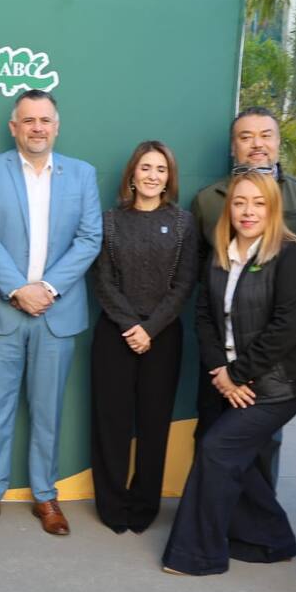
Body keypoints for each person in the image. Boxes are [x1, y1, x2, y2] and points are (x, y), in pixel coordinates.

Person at [161, 171, 296, 575]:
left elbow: (287, 327)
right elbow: (204, 317)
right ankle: (271, 540)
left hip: (278, 384)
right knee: (229, 455)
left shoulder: (293, 255)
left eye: (258, 203)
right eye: (240, 202)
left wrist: (238, 375)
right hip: (225, 376)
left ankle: (197, 556)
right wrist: (220, 371)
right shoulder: (220, 252)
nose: (248, 211)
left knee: (219, 450)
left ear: (273, 208)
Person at [0, 89, 101, 536]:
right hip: (4, 312)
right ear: (14, 127)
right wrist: (17, 289)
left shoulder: (82, 175)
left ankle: (46, 496)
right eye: (28, 120)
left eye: (45, 120)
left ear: (56, 126)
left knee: (48, 412)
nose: (37, 127)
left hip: (56, 313)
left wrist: (45, 288)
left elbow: (88, 239)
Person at [190, 106, 296, 487]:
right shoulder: (208, 200)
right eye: (246, 137)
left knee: (263, 443)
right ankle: (214, 513)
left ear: (278, 143)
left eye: (265, 135)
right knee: (213, 434)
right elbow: (204, 276)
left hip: (272, 357)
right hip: (222, 344)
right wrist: (223, 370)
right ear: (234, 147)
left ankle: (261, 526)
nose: (257, 144)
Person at [91, 140, 197, 534]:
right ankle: (112, 503)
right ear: (132, 174)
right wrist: (129, 326)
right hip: (114, 334)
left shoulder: (184, 222)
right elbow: (101, 280)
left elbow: (185, 283)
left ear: (169, 177)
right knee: (111, 423)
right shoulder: (110, 222)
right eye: (146, 168)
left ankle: (144, 504)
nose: (153, 176)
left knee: (154, 425)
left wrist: (150, 328)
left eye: (161, 169)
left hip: (163, 337)